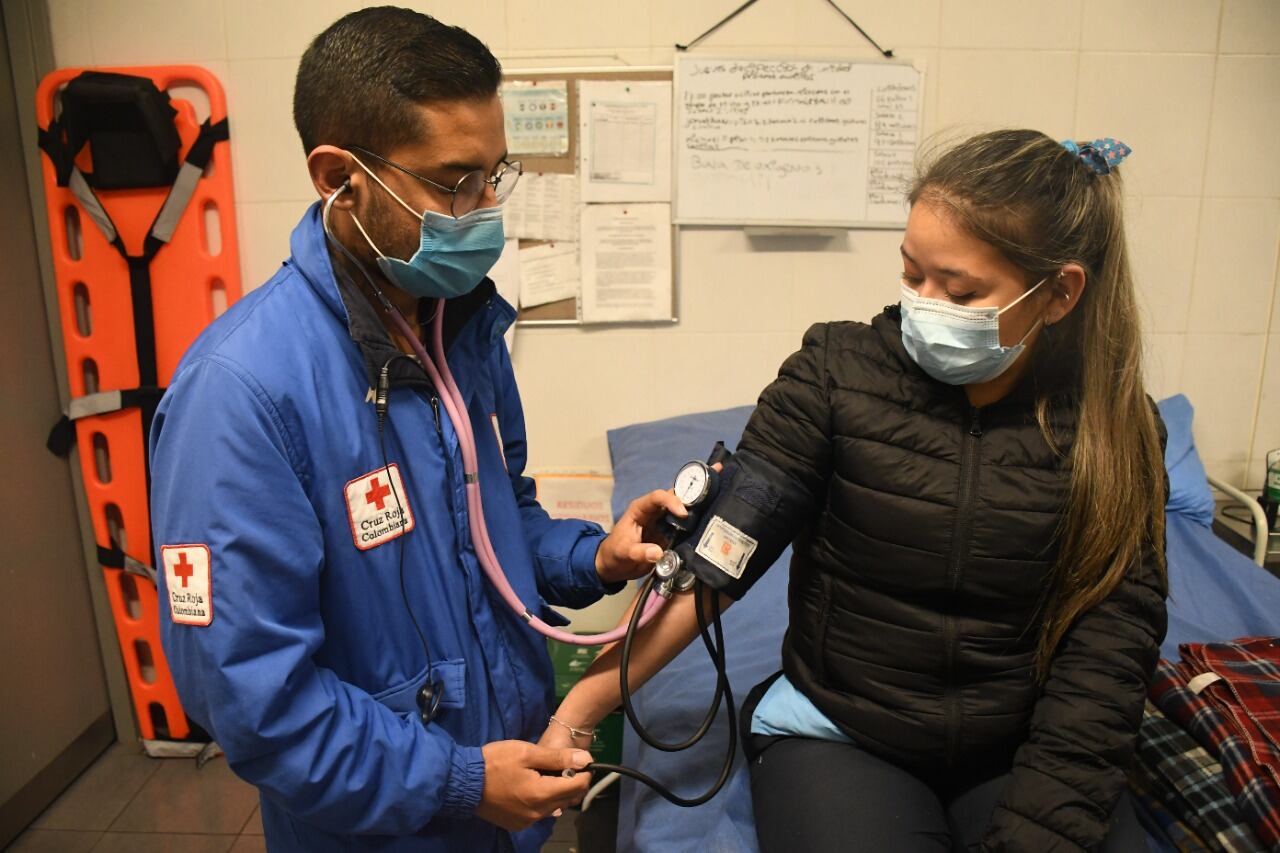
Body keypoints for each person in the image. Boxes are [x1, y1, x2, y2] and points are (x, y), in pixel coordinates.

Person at [544, 130, 1168, 851]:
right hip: (844, 732)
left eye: (960, 290)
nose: (926, 306)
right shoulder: (835, 376)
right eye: (912, 275)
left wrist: (1039, 826)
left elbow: (1110, 650)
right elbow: (719, 562)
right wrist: (584, 705)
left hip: (1024, 742)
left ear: (1059, 292)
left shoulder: (1115, 431)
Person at [149, 8, 678, 851]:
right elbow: (254, 703)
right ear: (337, 176)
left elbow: (495, 522)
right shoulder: (240, 394)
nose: (484, 209)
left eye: (493, 175)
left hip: (506, 810)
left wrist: (592, 558)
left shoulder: (458, 330)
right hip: (385, 826)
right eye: (452, 182)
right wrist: (460, 780)